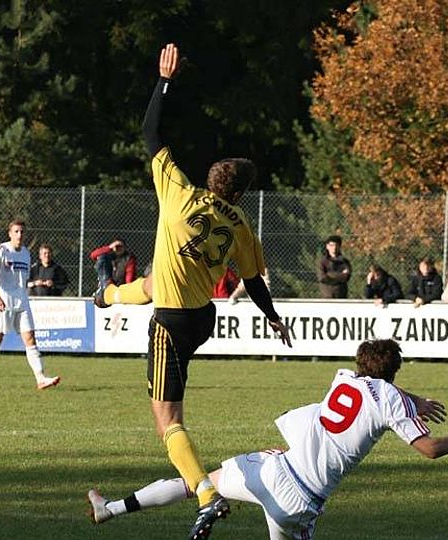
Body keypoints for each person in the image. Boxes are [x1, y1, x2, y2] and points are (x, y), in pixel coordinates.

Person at [91, 43, 292, 540]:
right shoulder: (242, 223)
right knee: (155, 282)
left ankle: (205, 494)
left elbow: (149, 132)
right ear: (239, 193)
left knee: (167, 423)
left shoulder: (179, 193)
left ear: (211, 178)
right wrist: (271, 316)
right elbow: (252, 280)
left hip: (173, 323)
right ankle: (107, 295)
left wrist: (165, 82)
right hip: (201, 317)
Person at [86, 339, 448, 539]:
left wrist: (413, 400)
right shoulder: (391, 399)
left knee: (195, 483)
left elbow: (374, 388)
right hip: (300, 502)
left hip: (272, 471)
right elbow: (429, 449)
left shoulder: (344, 378)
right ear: (395, 373)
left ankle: (111, 508)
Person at [0, 220, 60, 391]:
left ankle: (41, 378)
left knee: (30, 338)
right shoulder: (0, 249)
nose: (19, 235)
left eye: (22, 232)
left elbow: (23, 280)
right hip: (3, 302)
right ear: (10, 233)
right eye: (16, 231)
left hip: (22, 302)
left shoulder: (26, 253)